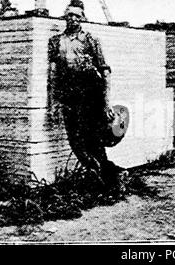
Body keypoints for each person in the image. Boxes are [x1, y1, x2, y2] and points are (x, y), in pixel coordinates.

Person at [48, 0, 128, 192]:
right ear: (65, 16)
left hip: (91, 95)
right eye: (69, 14)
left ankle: (110, 181)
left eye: (77, 15)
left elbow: (105, 72)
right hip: (70, 97)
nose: (72, 18)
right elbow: (53, 75)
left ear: (83, 18)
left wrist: (106, 104)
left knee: (93, 142)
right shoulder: (56, 41)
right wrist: (53, 103)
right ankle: (109, 177)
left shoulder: (91, 40)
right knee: (76, 144)